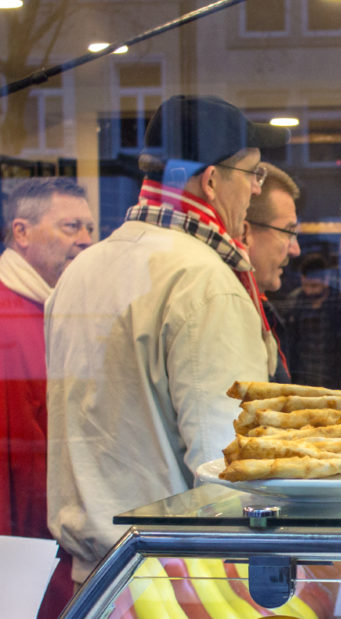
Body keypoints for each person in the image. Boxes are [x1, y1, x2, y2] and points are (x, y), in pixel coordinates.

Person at [45, 94, 289, 584]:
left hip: (88, 581)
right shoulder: (206, 282)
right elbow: (228, 465)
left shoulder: (84, 268)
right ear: (212, 179)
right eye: (253, 174)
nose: (255, 191)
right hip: (174, 582)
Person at [0, 178, 93, 618]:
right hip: (27, 555)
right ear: (21, 233)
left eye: (90, 228)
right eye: (71, 226)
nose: (85, 241)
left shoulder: (57, 309)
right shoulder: (8, 320)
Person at [243, 161, 302, 383]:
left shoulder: (258, 310)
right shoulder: (230, 312)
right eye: (287, 232)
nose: (295, 249)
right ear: (245, 232)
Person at [285, 252, 341, 389]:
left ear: (326, 280)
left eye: (314, 286)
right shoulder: (294, 302)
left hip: (332, 376)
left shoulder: (340, 303)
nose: (309, 291)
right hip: (300, 376)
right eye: (306, 285)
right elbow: (288, 343)